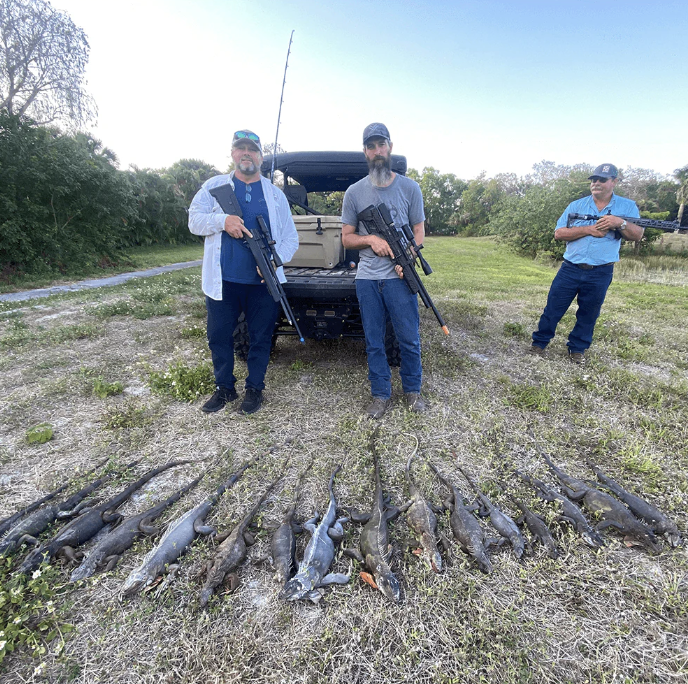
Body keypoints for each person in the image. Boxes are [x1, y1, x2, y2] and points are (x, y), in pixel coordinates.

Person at [189, 129, 298, 414]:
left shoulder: (275, 195)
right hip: (222, 281)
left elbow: (290, 239)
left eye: (252, 149)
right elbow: (194, 221)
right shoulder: (213, 187)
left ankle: (254, 389)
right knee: (218, 336)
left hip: (262, 282)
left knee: (261, 337)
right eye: (241, 149)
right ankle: (224, 388)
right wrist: (223, 220)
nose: (246, 154)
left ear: (260, 156)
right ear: (233, 154)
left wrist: (274, 262)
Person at [341, 123, 427, 419]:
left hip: (399, 278)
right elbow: (346, 237)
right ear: (365, 151)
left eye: (382, 144)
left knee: (408, 337)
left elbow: (419, 231)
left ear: (390, 146)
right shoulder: (354, 193)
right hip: (367, 277)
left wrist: (409, 255)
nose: (377, 151)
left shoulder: (409, 187)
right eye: (371, 146)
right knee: (374, 340)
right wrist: (370, 239)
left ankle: (413, 391)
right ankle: (380, 395)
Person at [530, 164, 644, 365]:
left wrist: (619, 223)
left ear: (614, 182)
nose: (596, 183)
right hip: (570, 268)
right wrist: (589, 229)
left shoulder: (627, 207)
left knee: (589, 312)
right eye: (594, 180)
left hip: (601, 271)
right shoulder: (576, 205)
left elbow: (637, 235)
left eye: (602, 179)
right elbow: (558, 233)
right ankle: (539, 344)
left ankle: (577, 349)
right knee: (553, 307)